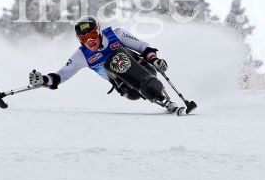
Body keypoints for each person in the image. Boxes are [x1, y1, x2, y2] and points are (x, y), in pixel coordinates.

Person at [28, 16, 190, 114]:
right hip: (126, 87)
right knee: (111, 64)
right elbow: (61, 75)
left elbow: (142, 46)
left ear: (99, 32)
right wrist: (43, 80)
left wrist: (155, 59)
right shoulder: (82, 55)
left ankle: (165, 99)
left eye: (92, 36)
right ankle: (160, 98)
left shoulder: (116, 34)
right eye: (84, 39)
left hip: (145, 71)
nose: (90, 42)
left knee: (117, 55)